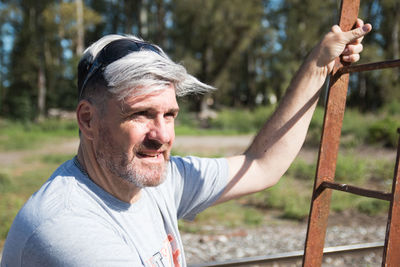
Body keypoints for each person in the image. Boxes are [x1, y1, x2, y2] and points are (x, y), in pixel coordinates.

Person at [1, 19, 371, 266]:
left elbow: (261, 164)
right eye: (141, 114)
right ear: (88, 120)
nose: (161, 136)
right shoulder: (66, 228)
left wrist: (319, 65)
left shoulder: (154, 181)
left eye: (170, 114)